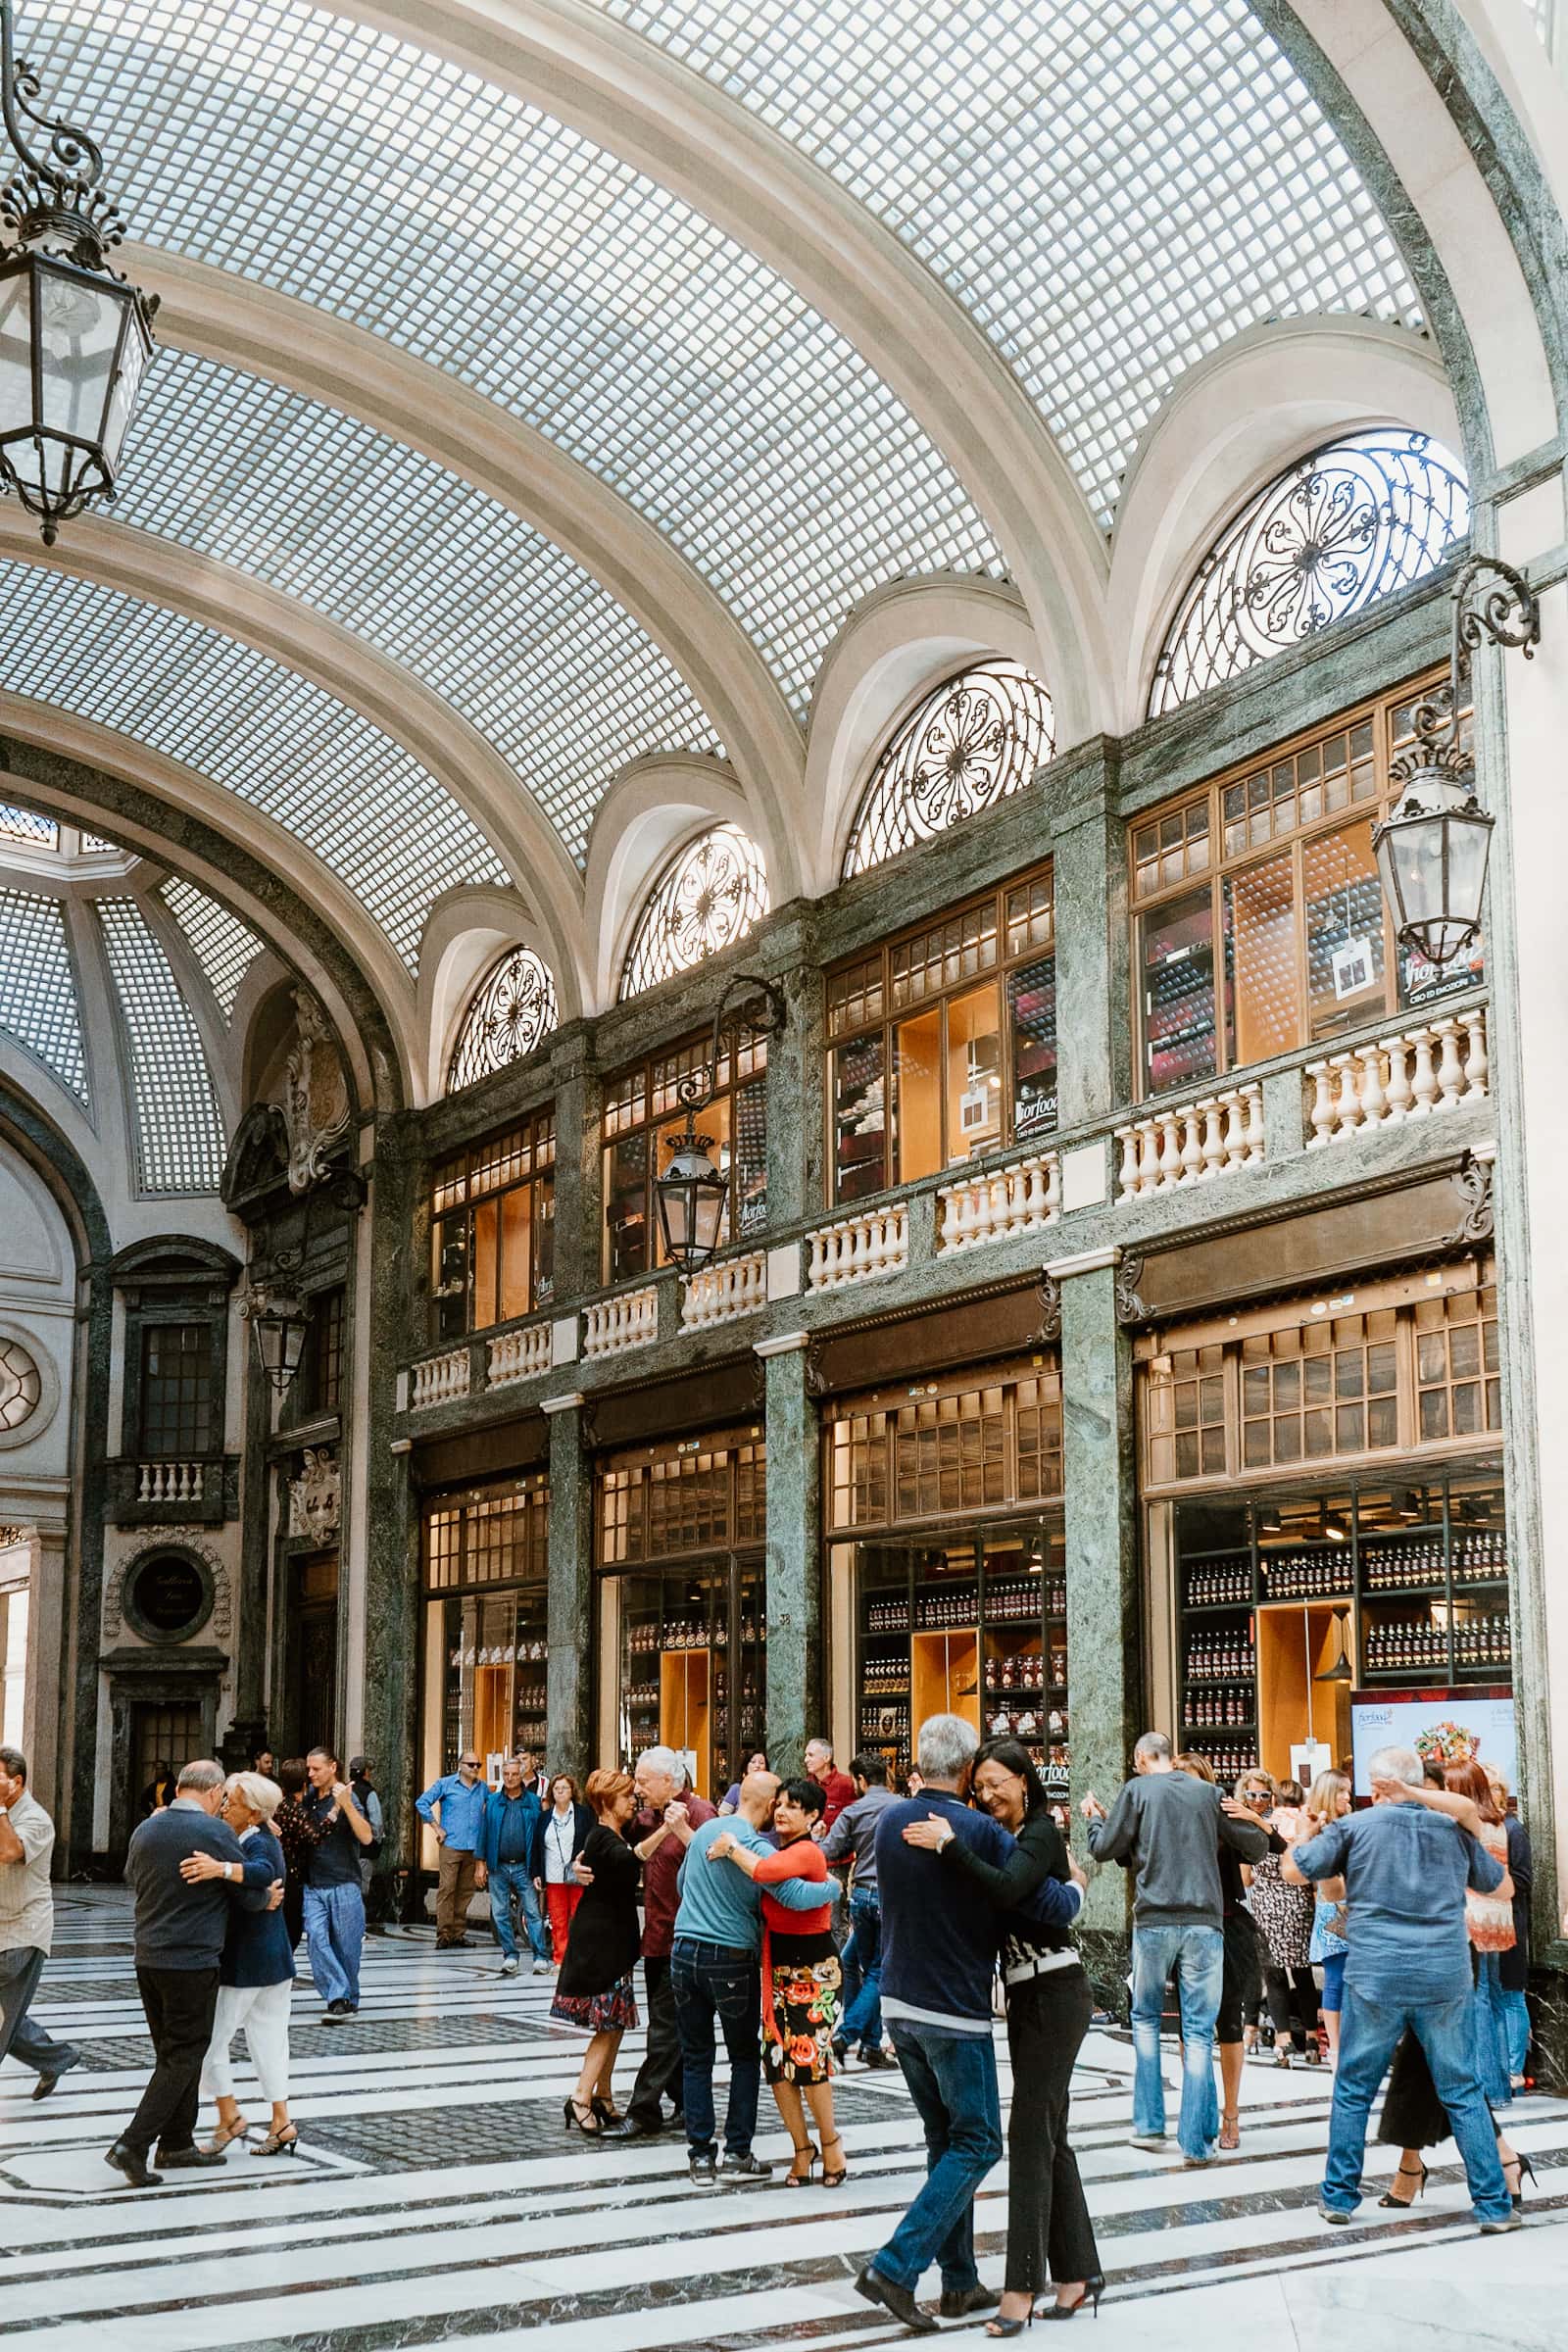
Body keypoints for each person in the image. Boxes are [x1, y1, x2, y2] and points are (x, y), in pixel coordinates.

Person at [858, 1712, 1077, 2336]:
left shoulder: (890, 1818)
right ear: (967, 1769)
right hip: (952, 2008)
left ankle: (958, 2283)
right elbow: (1043, 1900)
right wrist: (1079, 1889)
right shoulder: (979, 1829)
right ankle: (895, 2268)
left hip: (898, 2003)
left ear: (920, 1761)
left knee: (944, 2141)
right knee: (979, 2142)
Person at [904, 1736, 1099, 2333]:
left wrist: (949, 1845)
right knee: (1051, 2136)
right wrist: (1072, 1892)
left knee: (1028, 2136)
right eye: (979, 1785)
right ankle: (1078, 2275)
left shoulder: (1040, 1830)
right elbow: (1037, 1899)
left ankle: (1021, 2290)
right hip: (1025, 1996)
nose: (988, 1795)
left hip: (1056, 1993)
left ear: (1024, 1780)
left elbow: (1011, 1889)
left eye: (998, 1783)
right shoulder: (1002, 1841)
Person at [1288, 1743, 1517, 2232]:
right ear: (1419, 1782)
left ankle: (1339, 2197)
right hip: (1444, 1974)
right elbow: (1501, 1887)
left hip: (1376, 1975)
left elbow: (1297, 1869)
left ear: (1375, 1786)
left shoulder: (1353, 1828)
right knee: (1463, 2090)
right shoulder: (1452, 1831)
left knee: (1353, 2088)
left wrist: (1304, 1834)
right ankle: (1495, 2206)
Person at [1083, 1731, 1266, 2164]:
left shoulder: (1138, 1790)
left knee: (1146, 2021)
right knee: (1201, 2033)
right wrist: (1252, 1819)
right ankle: (1198, 2143)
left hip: (1154, 1921)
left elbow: (1105, 1847)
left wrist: (1094, 1818)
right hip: (1205, 1925)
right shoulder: (1208, 1793)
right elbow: (1256, 1849)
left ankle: (1149, 2125)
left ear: (1143, 1757)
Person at [108, 1758, 283, 2189]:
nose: (223, 1804)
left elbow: (133, 1876)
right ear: (212, 1792)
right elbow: (244, 1893)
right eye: (222, 1797)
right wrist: (265, 1900)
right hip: (191, 1960)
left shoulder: (146, 1829)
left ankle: (178, 2142)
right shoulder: (214, 1832)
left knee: (171, 2054)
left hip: (147, 1956)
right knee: (184, 2054)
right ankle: (133, 2144)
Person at [1370, 1764, 1531, 2209]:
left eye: (1427, 1790)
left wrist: (1411, 1793)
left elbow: (1503, 1883)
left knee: (1434, 2068)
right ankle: (1500, 2159)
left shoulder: (1458, 1828)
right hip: (1418, 1959)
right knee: (1435, 2069)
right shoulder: (1406, 1834)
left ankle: (1414, 2169)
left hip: (1454, 1958)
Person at [670, 1768, 822, 2188]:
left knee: (696, 2056)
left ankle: (701, 2157)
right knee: (742, 2057)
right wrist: (830, 1887)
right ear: (773, 1804)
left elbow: (683, 1884)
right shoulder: (755, 1849)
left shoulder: (705, 1831)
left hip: (683, 1952)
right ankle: (738, 2151)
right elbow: (788, 1896)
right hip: (730, 1957)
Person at [710, 1776, 848, 2187]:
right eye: (780, 1804)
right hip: (779, 1969)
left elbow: (766, 1872)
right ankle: (801, 2148)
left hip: (814, 1971)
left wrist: (730, 1847)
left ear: (812, 1816)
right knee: (776, 2063)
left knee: (809, 2061)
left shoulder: (805, 1852)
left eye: (793, 1806)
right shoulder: (781, 1845)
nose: (783, 1812)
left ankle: (831, 2144)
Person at [185, 1771, 298, 2156]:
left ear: (252, 1813)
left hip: (246, 1964)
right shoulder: (256, 1835)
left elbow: (265, 1873)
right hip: (274, 1963)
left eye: (233, 1801)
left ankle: (227, 2117)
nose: (225, 1805)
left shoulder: (260, 1842)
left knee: (211, 2044)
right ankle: (281, 2121)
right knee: (269, 2041)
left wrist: (221, 1870)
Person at [1173, 1752, 1274, 2149]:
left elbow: (1260, 1848)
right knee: (1187, 2023)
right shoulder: (1168, 1823)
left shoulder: (1224, 1819)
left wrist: (1238, 1818)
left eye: (1195, 1780)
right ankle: (1198, 2107)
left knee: (1228, 2020)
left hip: (1225, 1923)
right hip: (1181, 1927)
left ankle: (1230, 2112)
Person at [615, 1744, 714, 2137]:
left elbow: (715, 1859)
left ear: (669, 1782)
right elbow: (618, 1838)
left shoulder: (700, 1812)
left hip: (685, 1938)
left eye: (643, 1781)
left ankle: (643, 2110)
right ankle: (687, 2103)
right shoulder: (647, 1818)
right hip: (654, 1936)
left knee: (664, 2029)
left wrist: (683, 1831)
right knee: (668, 2025)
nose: (638, 1787)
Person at [551, 1767, 641, 2132]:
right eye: (626, 1796)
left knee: (616, 2023)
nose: (633, 1801)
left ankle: (603, 2094)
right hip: (602, 1944)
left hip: (614, 1943)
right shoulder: (603, 1836)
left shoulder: (617, 1832)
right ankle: (581, 2096)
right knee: (607, 2025)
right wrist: (667, 1830)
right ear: (607, 1803)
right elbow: (627, 1861)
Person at [0, 1743, 81, 2099]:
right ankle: (57, 2058)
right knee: (8, 2014)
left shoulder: (36, 1819)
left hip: (23, 1931)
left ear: (16, 1782)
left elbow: (9, 1852)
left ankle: (56, 2059)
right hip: (2, 1925)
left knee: (4, 2016)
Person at [823, 1750, 899, 2069]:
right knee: (871, 1968)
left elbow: (829, 1850)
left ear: (862, 1780)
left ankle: (856, 2038)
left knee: (863, 1965)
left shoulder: (854, 1811)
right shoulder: (903, 1807)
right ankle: (860, 2038)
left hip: (861, 1897)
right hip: (891, 1898)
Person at [1248, 1785, 1321, 2066]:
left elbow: (1246, 1879)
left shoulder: (1263, 1825)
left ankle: (1284, 2042)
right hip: (1299, 1902)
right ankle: (1313, 2041)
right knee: (1302, 1974)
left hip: (1267, 1905)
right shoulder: (1305, 1824)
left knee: (1274, 1975)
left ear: (1274, 1800)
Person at [301, 1746, 374, 2019]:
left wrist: (345, 1805)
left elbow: (367, 1837)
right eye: (309, 1769)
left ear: (333, 1767)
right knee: (317, 1940)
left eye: (316, 1768)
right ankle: (338, 1995)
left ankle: (347, 1996)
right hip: (314, 1884)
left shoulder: (348, 1796)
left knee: (347, 1946)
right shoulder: (309, 1800)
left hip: (344, 1881)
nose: (311, 1774)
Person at [480, 1755, 552, 1977]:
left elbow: (541, 1837)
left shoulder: (532, 1802)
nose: (510, 1778)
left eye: (514, 1774)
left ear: (521, 1775)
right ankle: (510, 1955)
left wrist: (539, 1868)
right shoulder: (492, 1802)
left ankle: (540, 1956)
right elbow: (483, 1833)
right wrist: (480, 1865)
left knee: (532, 1912)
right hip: (498, 1866)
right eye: (506, 1774)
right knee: (500, 1912)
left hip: (524, 1866)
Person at [1301, 1770, 1351, 2065]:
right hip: (1333, 1909)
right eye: (1341, 1791)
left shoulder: (1351, 1825)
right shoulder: (1318, 1829)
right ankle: (1335, 2048)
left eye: (1348, 1790)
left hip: (1355, 1909)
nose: (1347, 1796)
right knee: (1335, 1980)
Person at [416, 1747, 490, 1947]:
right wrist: (435, 1826)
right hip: (451, 1845)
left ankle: (458, 1932)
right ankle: (444, 1933)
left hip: (473, 1847)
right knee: (447, 1889)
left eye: (478, 1765)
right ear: (460, 1765)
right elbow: (422, 1803)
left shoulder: (482, 1788)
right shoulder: (446, 1784)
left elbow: (489, 1810)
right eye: (471, 1764)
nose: (475, 1768)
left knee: (466, 1891)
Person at [1488, 1768, 1534, 2087]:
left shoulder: (1513, 1830)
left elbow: (1523, 1879)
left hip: (1510, 1922)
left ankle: (1514, 2070)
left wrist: (1491, 1883)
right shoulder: (1486, 1829)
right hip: (1487, 1924)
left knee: (1511, 1996)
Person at [533, 1771, 592, 1962]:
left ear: (572, 1791)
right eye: (556, 1789)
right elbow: (536, 1846)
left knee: (579, 1918)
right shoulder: (544, 1817)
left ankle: (579, 1960)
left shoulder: (584, 1814)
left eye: (564, 1788)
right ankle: (560, 1959)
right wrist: (536, 1873)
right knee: (558, 1921)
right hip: (553, 1876)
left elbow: (590, 1842)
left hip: (576, 1875)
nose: (560, 1792)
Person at [271, 1758, 320, 1952]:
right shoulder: (296, 1810)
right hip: (293, 1873)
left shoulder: (279, 1806)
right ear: (304, 1784)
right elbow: (314, 1837)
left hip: (280, 1868)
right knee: (291, 1927)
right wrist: (333, 1815)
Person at [348, 1755, 392, 1932]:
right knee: (361, 1888)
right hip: (364, 1849)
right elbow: (377, 1821)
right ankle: (358, 1925)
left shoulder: (345, 1790)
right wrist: (377, 1841)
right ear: (366, 1772)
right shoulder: (369, 1792)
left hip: (348, 1848)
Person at [805, 1737, 856, 1831]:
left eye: (811, 1755)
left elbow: (854, 1818)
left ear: (827, 1758)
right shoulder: (805, 1785)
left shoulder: (846, 1784)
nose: (806, 1760)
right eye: (806, 1755)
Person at [719, 1751, 768, 1815]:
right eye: (753, 1762)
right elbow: (722, 1814)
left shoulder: (768, 1791)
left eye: (761, 1763)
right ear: (745, 1768)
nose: (757, 1765)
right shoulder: (737, 1789)